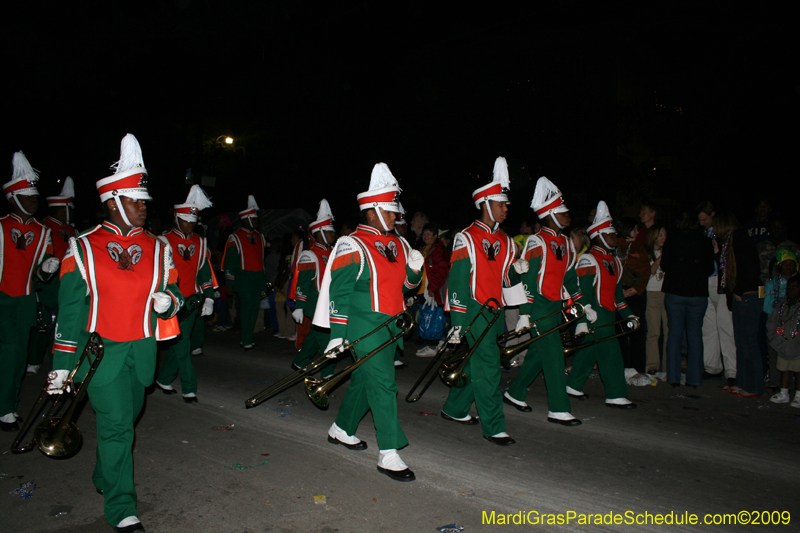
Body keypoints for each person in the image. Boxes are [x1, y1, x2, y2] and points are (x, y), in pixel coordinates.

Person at [51, 134, 183, 533]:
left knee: (128, 418)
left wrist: (169, 302)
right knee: (118, 426)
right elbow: (70, 312)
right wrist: (61, 365)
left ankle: (104, 476)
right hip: (99, 353)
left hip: (141, 353)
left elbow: (174, 292)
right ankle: (122, 508)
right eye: (136, 201)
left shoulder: (160, 248)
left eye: (145, 201)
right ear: (113, 203)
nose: (145, 207)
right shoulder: (83, 248)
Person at [313, 163, 423, 481]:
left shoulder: (397, 244)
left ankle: (341, 428)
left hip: (390, 326)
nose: (395, 217)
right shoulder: (352, 244)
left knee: (365, 381)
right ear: (372, 212)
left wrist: (414, 272)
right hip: (362, 325)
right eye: (390, 211)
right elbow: (340, 291)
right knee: (384, 385)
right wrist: (337, 333)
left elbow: (405, 289)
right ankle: (389, 452)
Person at [441, 157, 527, 445]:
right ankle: (494, 426)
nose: (506, 209)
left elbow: (503, 278)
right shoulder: (465, 238)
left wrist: (517, 280)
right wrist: (458, 322)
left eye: (506, 204)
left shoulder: (505, 240)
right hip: (475, 309)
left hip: (495, 310)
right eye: (502, 204)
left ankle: (454, 409)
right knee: (489, 365)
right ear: (487, 204)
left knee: (477, 362)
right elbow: (458, 283)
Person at [503, 176, 586, 426]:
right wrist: (526, 313)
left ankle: (514, 393)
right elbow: (528, 279)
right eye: (563, 212)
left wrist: (584, 306)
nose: (568, 215)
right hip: (538, 307)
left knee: (539, 353)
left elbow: (570, 278)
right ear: (550, 214)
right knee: (553, 355)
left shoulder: (566, 243)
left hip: (555, 307)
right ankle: (558, 409)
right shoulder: (536, 241)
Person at [0, 152, 59, 431]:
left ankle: (7, 407)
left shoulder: (42, 231)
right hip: (2, 298)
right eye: (28, 196)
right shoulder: (0, 227)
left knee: (17, 356)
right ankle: (5, 409)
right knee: (10, 355)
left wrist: (46, 270)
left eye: (35, 196)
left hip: (24, 301)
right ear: (14, 199)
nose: (34, 200)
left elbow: (38, 277)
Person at [566, 201, 638, 409]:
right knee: (611, 354)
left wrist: (629, 316)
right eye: (612, 234)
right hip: (594, 315)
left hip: (608, 315)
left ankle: (572, 385)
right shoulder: (588, 260)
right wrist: (583, 318)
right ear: (599, 235)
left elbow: (618, 296)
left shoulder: (614, 262)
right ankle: (616, 394)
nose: (616, 238)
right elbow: (583, 293)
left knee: (589, 352)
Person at [156, 185, 215, 403]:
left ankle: (164, 378)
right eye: (186, 221)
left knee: (181, 342)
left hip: (192, 301)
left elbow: (204, 270)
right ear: (176, 219)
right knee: (182, 346)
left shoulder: (200, 242)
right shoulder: (162, 241)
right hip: (171, 302)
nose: (190, 225)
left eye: (193, 221)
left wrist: (208, 297)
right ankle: (189, 387)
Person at [28, 176, 78, 374]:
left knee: (62, 323)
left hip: (66, 283)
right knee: (44, 321)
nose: (73, 212)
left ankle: (57, 360)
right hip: (48, 284)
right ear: (61, 209)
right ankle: (34, 359)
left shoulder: (72, 230)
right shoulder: (44, 228)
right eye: (70, 208)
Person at [659, 218, 715, 387]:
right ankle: (695, 378)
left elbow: (665, 264)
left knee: (675, 334)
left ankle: (674, 377)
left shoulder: (673, 240)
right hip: (697, 292)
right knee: (695, 335)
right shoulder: (705, 241)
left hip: (675, 290)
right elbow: (710, 268)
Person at [714, 211, 764, 398]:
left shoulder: (740, 237)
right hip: (741, 296)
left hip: (748, 296)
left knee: (749, 342)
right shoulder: (728, 241)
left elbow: (751, 267)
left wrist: (739, 291)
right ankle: (742, 383)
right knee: (741, 343)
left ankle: (754, 386)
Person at [291, 199, 337, 378]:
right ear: (320, 233)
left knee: (315, 335)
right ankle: (328, 373)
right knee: (327, 338)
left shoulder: (331, 253)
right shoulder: (309, 255)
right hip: (314, 302)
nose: (333, 234)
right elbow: (303, 283)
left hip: (327, 302)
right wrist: (300, 307)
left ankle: (299, 362)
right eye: (330, 231)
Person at [222, 195, 269, 350]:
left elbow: (262, 260)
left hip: (257, 278)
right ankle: (246, 338)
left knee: (254, 309)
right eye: (254, 219)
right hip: (244, 278)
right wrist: (230, 282)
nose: (257, 222)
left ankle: (248, 337)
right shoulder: (235, 237)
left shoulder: (259, 236)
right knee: (247, 308)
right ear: (246, 219)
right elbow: (230, 262)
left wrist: (264, 280)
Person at [697, 201, 736, 383]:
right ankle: (712, 366)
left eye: (705, 219)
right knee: (709, 326)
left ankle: (732, 370)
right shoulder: (703, 233)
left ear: (712, 215)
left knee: (725, 326)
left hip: (721, 283)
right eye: (700, 220)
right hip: (706, 281)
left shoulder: (724, 234)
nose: (702, 223)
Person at [615, 217, 649, 372]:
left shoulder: (638, 247)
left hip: (635, 293)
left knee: (637, 331)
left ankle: (638, 367)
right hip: (618, 292)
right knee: (619, 332)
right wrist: (617, 291)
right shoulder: (614, 246)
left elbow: (646, 270)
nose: (637, 232)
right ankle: (622, 366)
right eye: (635, 228)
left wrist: (637, 289)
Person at [763, 250, 798, 389]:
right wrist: (780, 316)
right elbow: (766, 306)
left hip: (795, 326)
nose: (788, 267)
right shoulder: (772, 284)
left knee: (795, 356)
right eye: (785, 264)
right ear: (779, 266)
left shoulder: (798, 283)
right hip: (776, 325)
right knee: (774, 355)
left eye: (791, 264)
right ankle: (775, 382)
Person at [414, 222, 450, 357]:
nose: (426, 236)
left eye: (429, 234)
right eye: (424, 234)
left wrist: (433, 288)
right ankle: (435, 344)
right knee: (427, 316)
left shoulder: (438, 250)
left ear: (436, 236)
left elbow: (441, 270)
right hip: (423, 289)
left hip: (431, 290)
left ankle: (433, 346)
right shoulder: (426, 248)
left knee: (433, 316)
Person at [767, 275, 800, 407]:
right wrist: (776, 340)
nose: (791, 290)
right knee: (784, 369)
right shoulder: (783, 305)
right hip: (782, 344)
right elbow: (772, 323)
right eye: (789, 287)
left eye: (795, 287)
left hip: (797, 346)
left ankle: (798, 395)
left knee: (798, 370)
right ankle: (784, 392)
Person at [644, 223, 668, 373]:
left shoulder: (669, 251)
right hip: (652, 293)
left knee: (669, 330)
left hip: (667, 293)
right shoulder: (647, 253)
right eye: (660, 235)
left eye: (665, 235)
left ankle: (667, 365)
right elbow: (648, 273)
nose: (663, 238)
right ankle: (652, 365)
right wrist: (659, 261)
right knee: (654, 331)